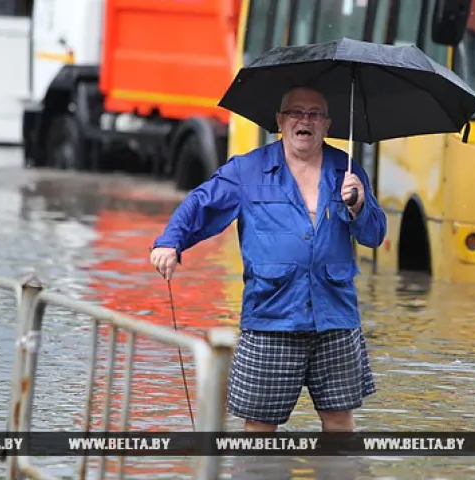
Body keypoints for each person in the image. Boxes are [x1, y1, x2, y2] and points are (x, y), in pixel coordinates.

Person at [149, 86, 386, 432]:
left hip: (335, 317)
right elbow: (201, 203)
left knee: (339, 420)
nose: (305, 120)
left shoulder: (346, 171)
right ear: (280, 121)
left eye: (315, 113)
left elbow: (375, 236)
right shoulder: (248, 170)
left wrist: (359, 206)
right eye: (296, 112)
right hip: (271, 318)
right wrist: (171, 243)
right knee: (260, 426)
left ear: (327, 124)